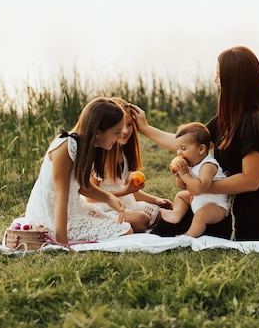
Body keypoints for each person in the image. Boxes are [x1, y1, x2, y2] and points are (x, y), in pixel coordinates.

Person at [131, 46, 259, 241]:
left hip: (245, 212)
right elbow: (187, 144)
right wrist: (145, 128)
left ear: (235, 80)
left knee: (171, 229)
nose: (216, 80)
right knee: (164, 227)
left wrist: (202, 187)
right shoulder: (228, 117)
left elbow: (251, 180)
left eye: (220, 75)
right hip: (218, 199)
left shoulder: (255, 121)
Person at [18, 97, 133, 244]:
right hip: (52, 216)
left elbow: (81, 185)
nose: (118, 137)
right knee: (126, 232)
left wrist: (109, 198)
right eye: (116, 132)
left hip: (74, 209)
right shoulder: (65, 147)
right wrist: (62, 243)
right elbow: (61, 196)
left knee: (125, 227)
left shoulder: (86, 147)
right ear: (98, 132)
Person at [85, 98, 172, 232]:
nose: (125, 131)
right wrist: (125, 191)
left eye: (130, 124)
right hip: (103, 207)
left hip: (126, 203)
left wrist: (156, 200)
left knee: (164, 214)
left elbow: (130, 191)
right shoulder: (100, 156)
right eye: (120, 127)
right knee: (141, 219)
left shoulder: (124, 154)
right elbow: (89, 197)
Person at [163, 122, 228, 237]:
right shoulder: (192, 165)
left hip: (215, 206)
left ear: (201, 149)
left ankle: (189, 235)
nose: (179, 153)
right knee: (181, 195)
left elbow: (201, 186)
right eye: (177, 148)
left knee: (201, 215)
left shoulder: (208, 165)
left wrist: (184, 173)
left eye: (183, 148)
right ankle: (176, 214)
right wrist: (179, 176)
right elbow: (184, 186)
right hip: (198, 200)